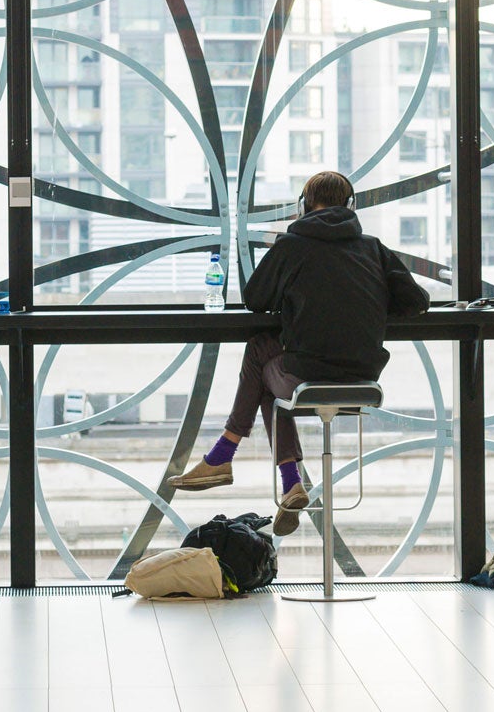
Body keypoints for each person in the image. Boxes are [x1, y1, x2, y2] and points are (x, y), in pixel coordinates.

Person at [169, 170, 430, 534]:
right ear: (350, 205)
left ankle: (229, 457)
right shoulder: (373, 247)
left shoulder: (291, 246)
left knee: (262, 355)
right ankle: (285, 482)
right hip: (363, 379)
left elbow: (255, 299)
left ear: (304, 207)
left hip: (308, 375)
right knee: (269, 375)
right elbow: (417, 301)